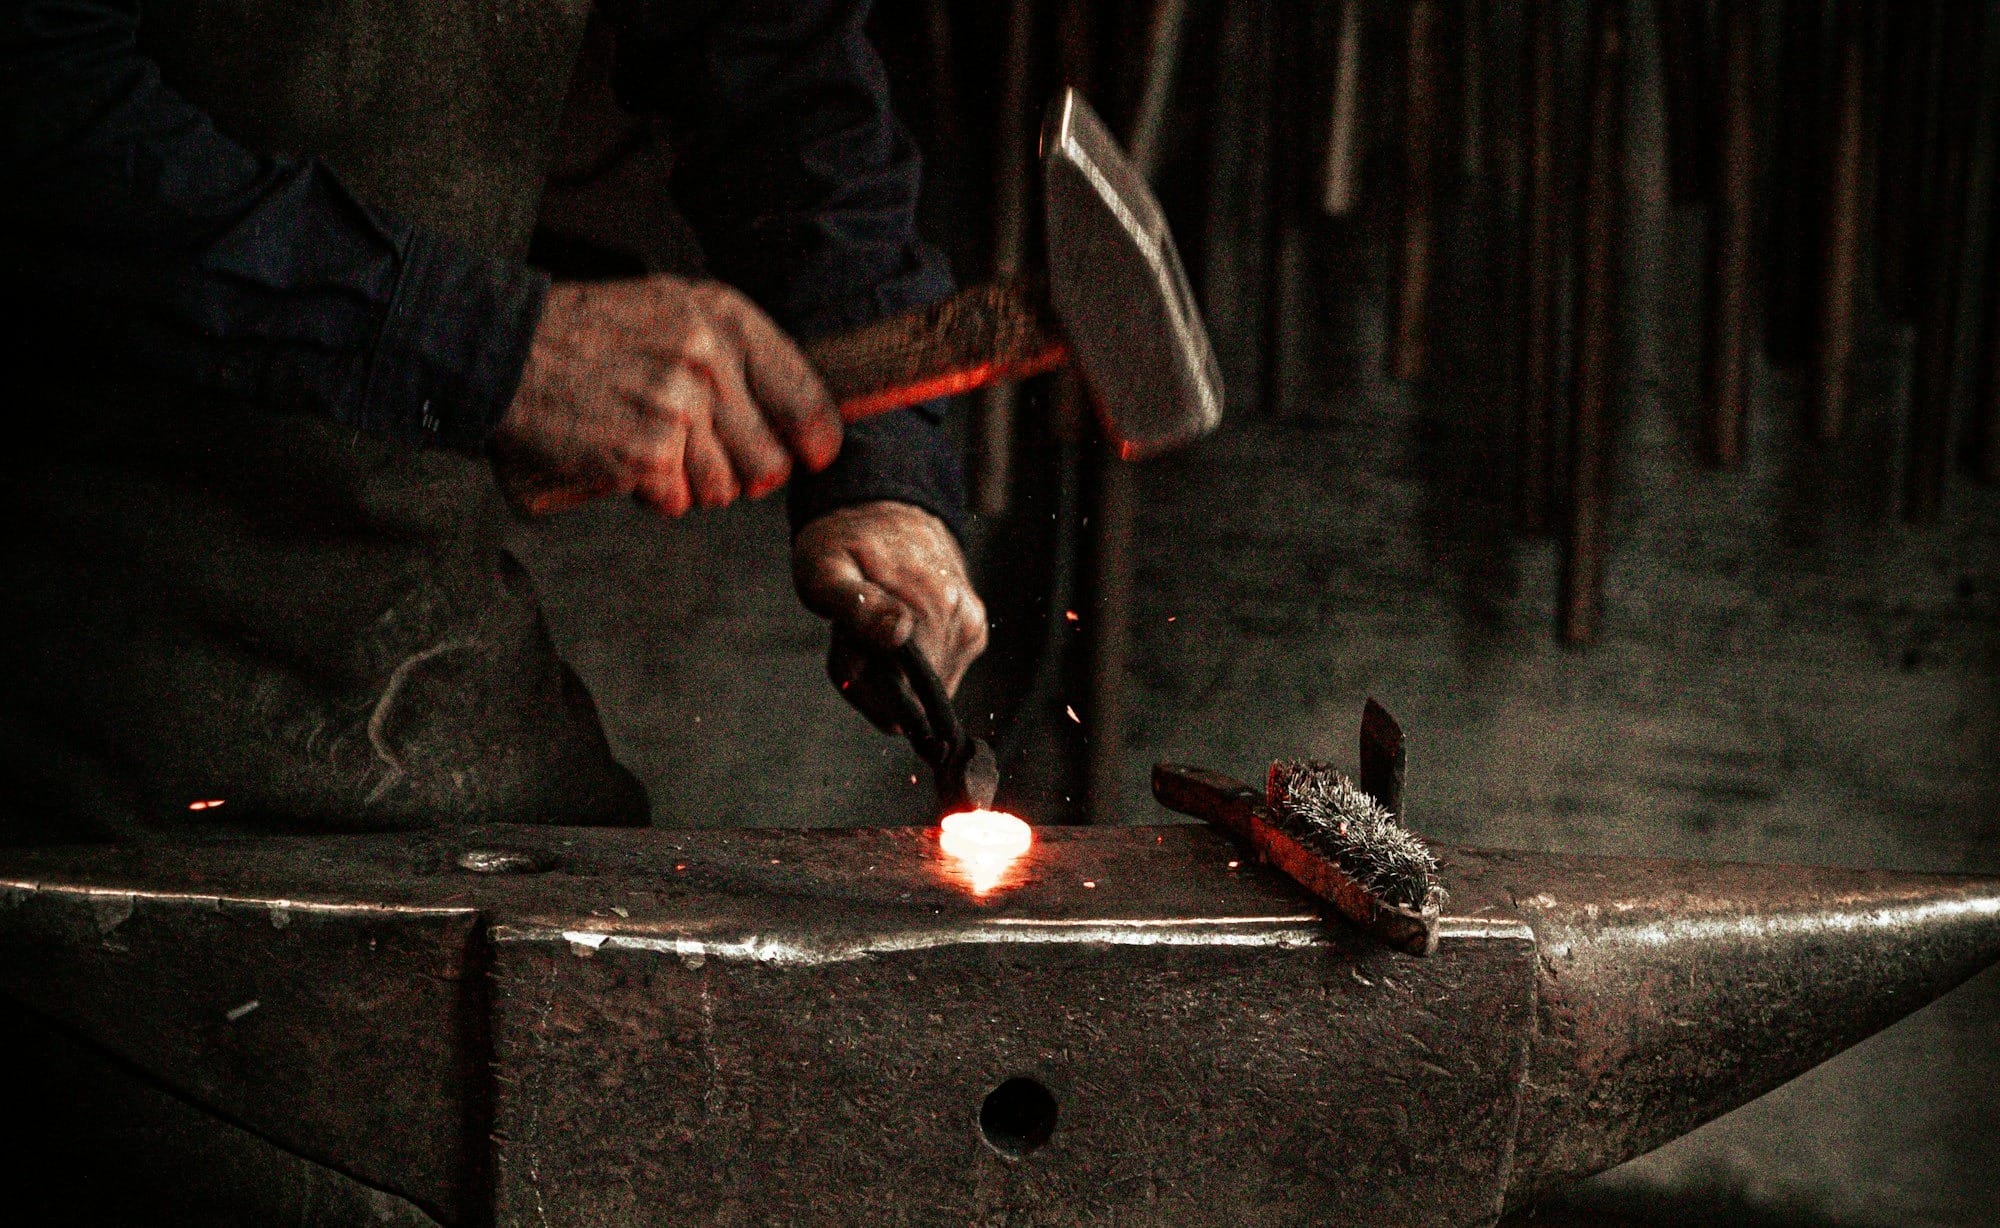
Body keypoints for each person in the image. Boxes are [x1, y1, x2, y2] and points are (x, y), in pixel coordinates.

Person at [0, 0, 988, 841]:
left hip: (418, 635)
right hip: (75, 658)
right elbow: (41, 111)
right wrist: (490, 348)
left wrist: (881, 467)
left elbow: (782, 73)